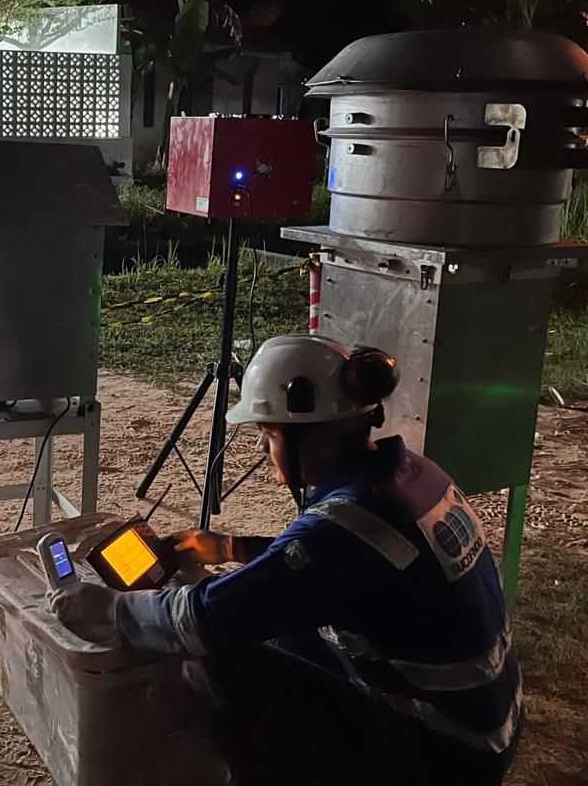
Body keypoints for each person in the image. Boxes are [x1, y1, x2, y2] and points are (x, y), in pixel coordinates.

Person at [51, 334, 521, 786]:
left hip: (440, 754)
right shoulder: (413, 473)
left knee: (211, 661)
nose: (262, 447)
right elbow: (336, 568)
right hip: (482, 729)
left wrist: (114, 610)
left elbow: (209, 617)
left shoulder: (340, 529)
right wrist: (231, 549)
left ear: (319, 441)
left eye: (268, 433)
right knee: (283, 628)